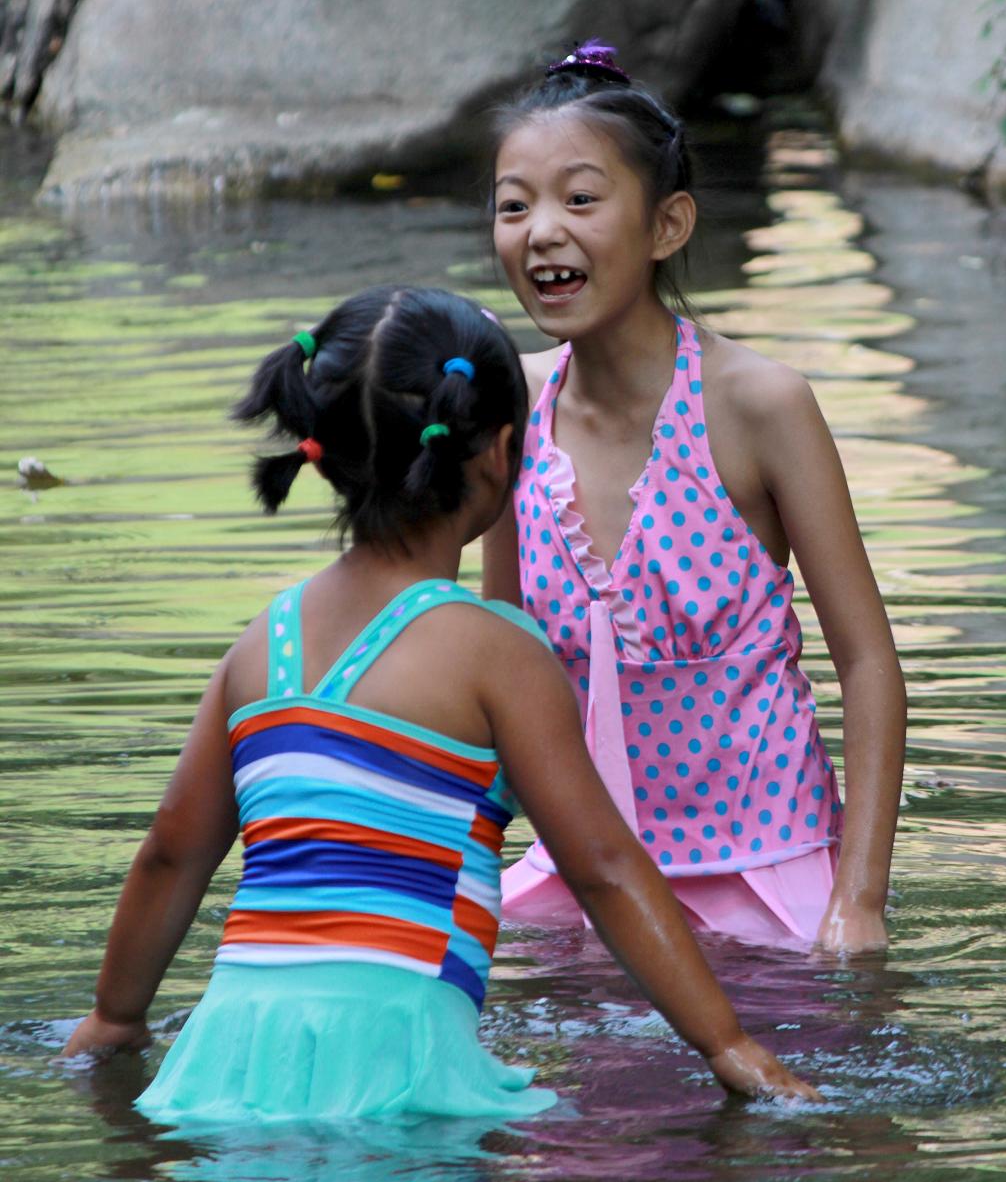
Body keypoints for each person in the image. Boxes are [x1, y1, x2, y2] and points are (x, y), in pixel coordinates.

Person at [61, 284, 817, 1120]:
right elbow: (602, 868)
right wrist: (727, 1043)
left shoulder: (258, 647)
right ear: (501, 452)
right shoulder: (496, 652)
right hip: (403, 1057)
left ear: (323, 452)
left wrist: (115, 1015)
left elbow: (171, 852)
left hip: (228, 1053)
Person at [484, 45, 907, 955]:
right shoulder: (510, 406)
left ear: (667, 224)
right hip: (581, 877)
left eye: (580, 198)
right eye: (514, 204)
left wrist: (857, 903)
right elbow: (498, 665)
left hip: (769, 872)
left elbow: (867, 664)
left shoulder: (758, 403)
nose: (540, 230)